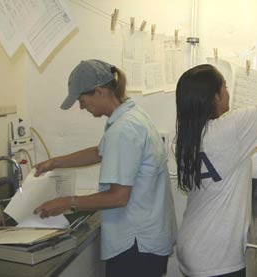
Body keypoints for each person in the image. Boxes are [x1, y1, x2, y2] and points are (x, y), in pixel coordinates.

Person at [33, 59, 177, 277]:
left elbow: (118, 197)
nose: (81, 107)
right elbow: (100, 151)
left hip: (135, 245)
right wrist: (54, 162)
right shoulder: (132, 116)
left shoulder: (123, 130)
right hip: (147, 238)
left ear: (100, 92)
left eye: (82, 100)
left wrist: (69, 202)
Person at [174, 54, 257, 277]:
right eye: (224, 87)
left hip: (193, 246)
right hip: (216, 257)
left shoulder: (185, 136)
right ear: (215, 97)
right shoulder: (228, 130)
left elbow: (224, 162)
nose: (228, 92)